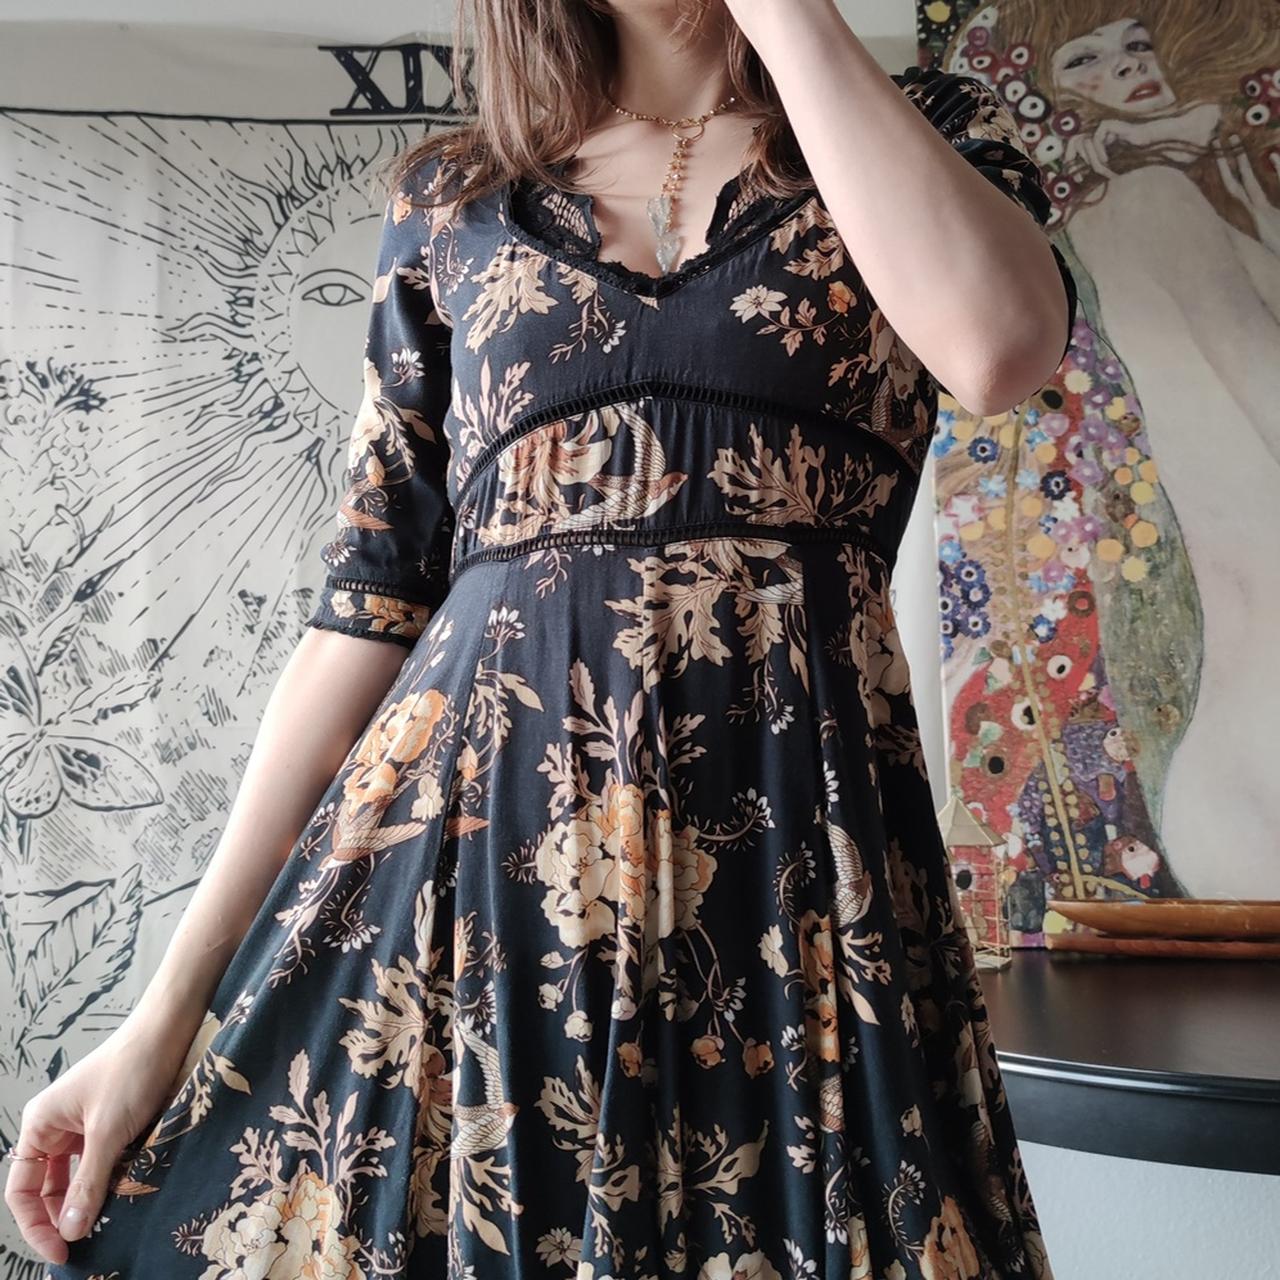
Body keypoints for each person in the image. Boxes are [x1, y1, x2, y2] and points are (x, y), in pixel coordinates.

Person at [5, 1, 1076, 1276]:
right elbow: (368, 608)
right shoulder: (454, 202)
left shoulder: (928, 134)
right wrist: (160, 1015)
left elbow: (998, 347)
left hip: (798, 889)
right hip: (474, 897)